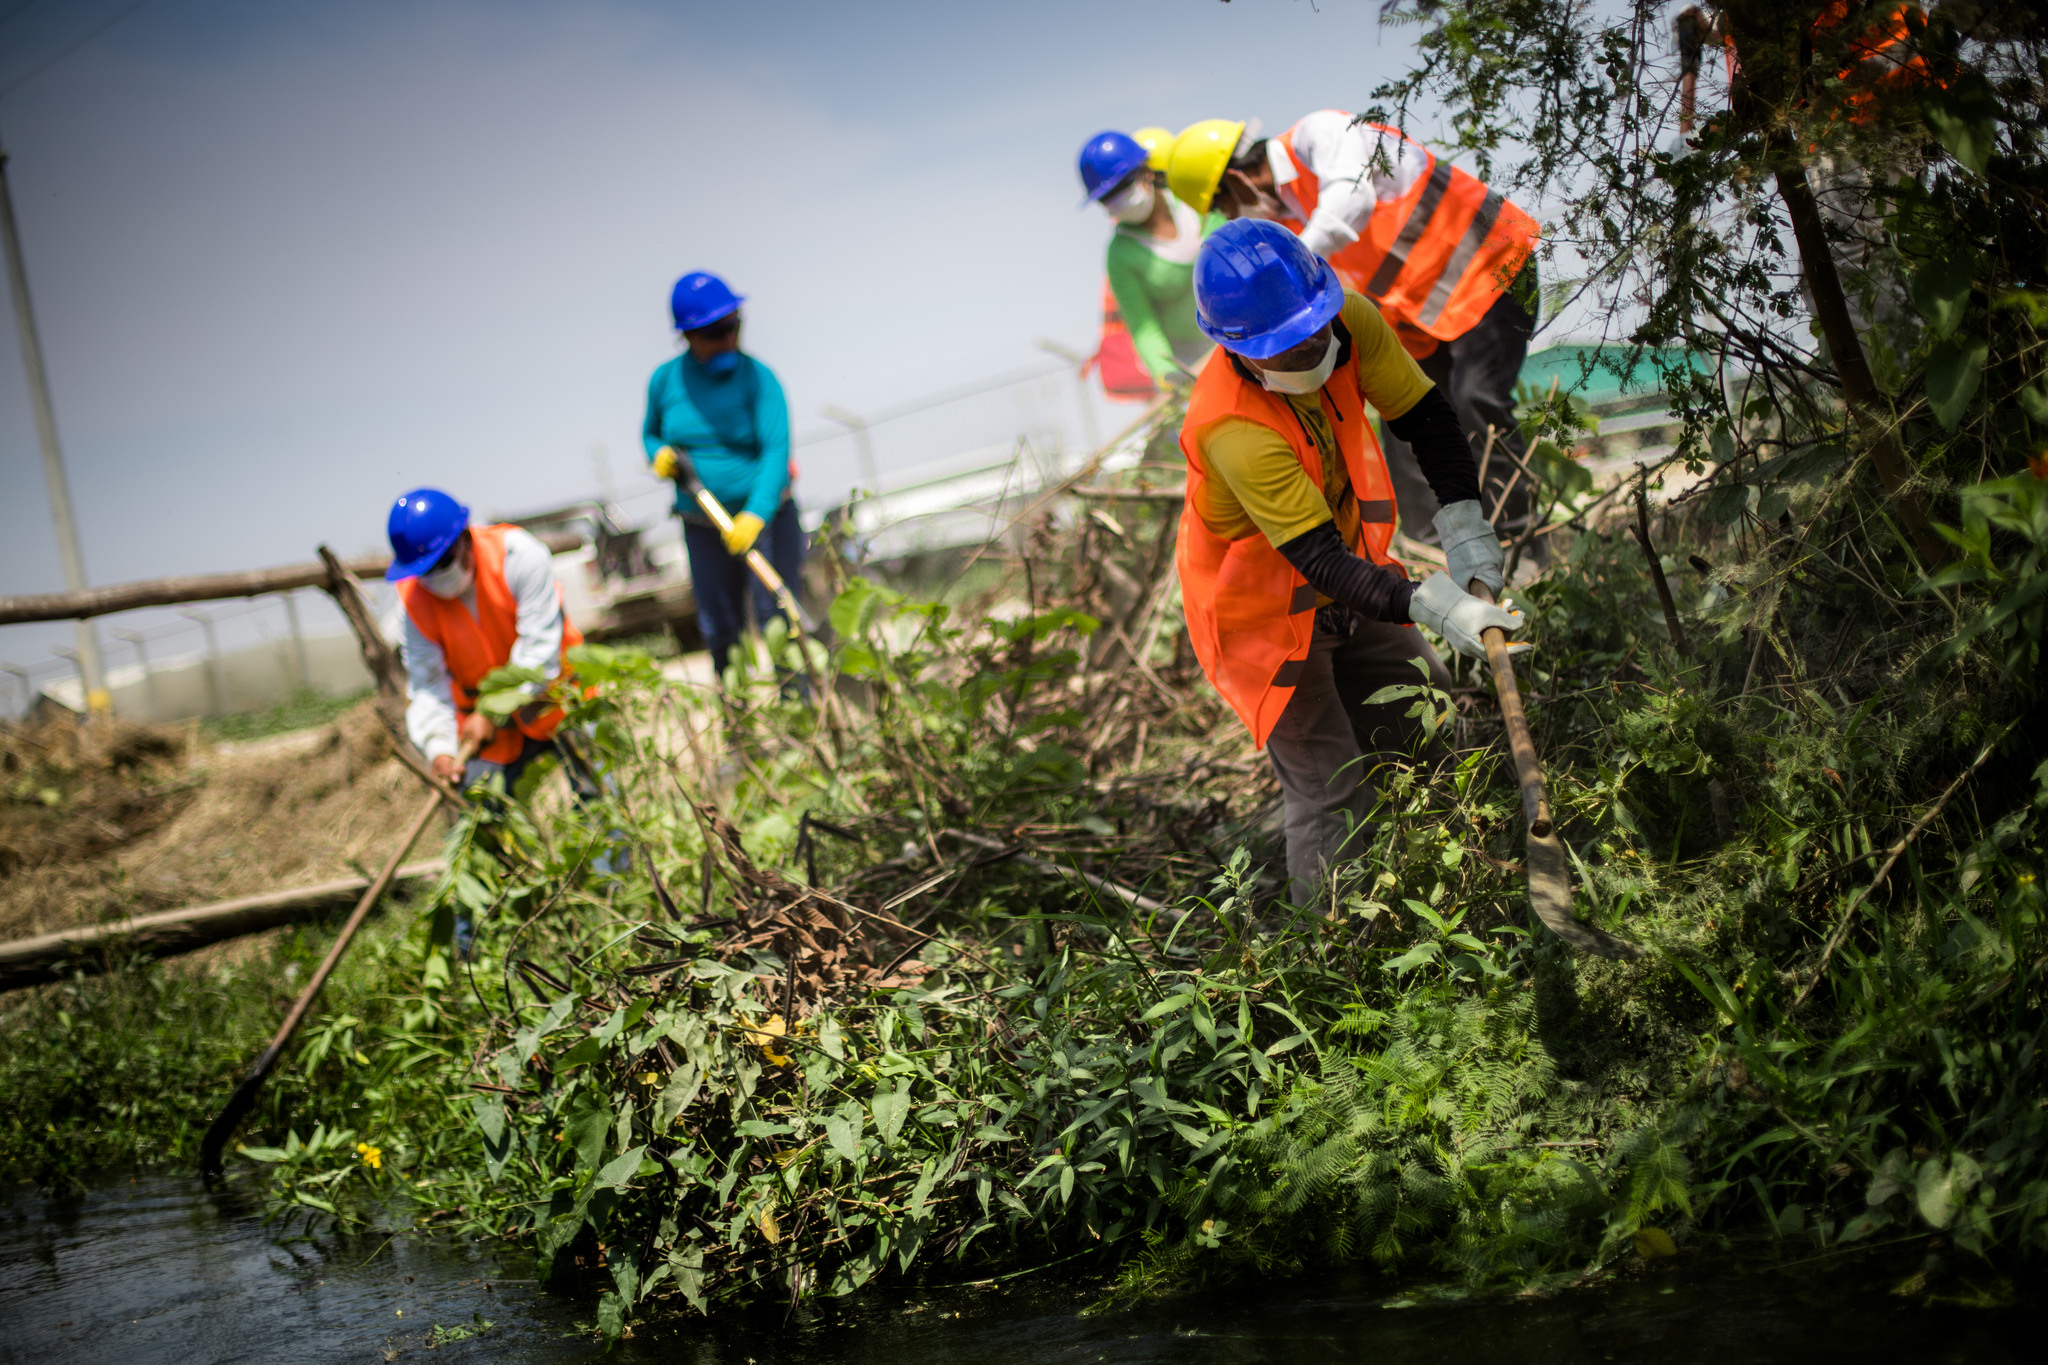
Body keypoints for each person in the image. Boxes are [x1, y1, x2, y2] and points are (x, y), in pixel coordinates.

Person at [1175, 219, 1529, 906]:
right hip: (1265, 615)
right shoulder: (1232, 426)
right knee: (1329, 786)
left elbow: (1425, 417)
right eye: (1286, 348)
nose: (1311, 349)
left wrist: (1464, 524)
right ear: (1239, 350)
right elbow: (1317, 559)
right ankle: (1334, 943)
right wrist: (1434, 605)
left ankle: (1464, 886)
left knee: (1424, 716)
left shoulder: (1350, 320)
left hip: (1350, 576)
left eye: (1314, 332)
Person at [1167, 113, 1541, 540]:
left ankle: (1520, 540)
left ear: (1236, 181)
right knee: (1405, 420)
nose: (1229, 215)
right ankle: (1431, 547)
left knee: (1477, 400)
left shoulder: (1319, 135)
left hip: (1491, 268)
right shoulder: (1284, 226)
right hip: (1425, 317)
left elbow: (1352, 200)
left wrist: (1291, 269)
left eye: (1222, 206)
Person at [643, 271, 803, 678]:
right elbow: (650, 433)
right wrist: (658, 453)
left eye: (734, 326)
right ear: (688, 336)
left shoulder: (759, 378)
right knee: (720, 627)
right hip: (703, 524)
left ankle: (801, 704)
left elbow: (776, 451)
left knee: (779, 619)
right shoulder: (665, 382)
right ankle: (738, 711)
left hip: (768, 519)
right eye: (716, 333)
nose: (729, 339)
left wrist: (756, 514)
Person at [386, 487, 588, 794]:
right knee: (481, 807)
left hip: (558, 704)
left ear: (465, 538)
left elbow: (539, 653)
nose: (435, 577)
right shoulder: (412, 604)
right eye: (424, 571)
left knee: (598, 798)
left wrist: (490, 711)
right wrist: (440, 747)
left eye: (442, 563)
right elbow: (427, 685)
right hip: (490, 738)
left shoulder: (518, 556)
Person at [1077, 129, 1222, 389]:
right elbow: (1143, 326)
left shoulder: (1190, 197)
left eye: (1123, 186)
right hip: (1192, 361)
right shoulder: (1120, 255)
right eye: (1108, 197)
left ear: (1147, 171)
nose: (1119, 199)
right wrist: (1167, 373)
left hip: (1246, 326)